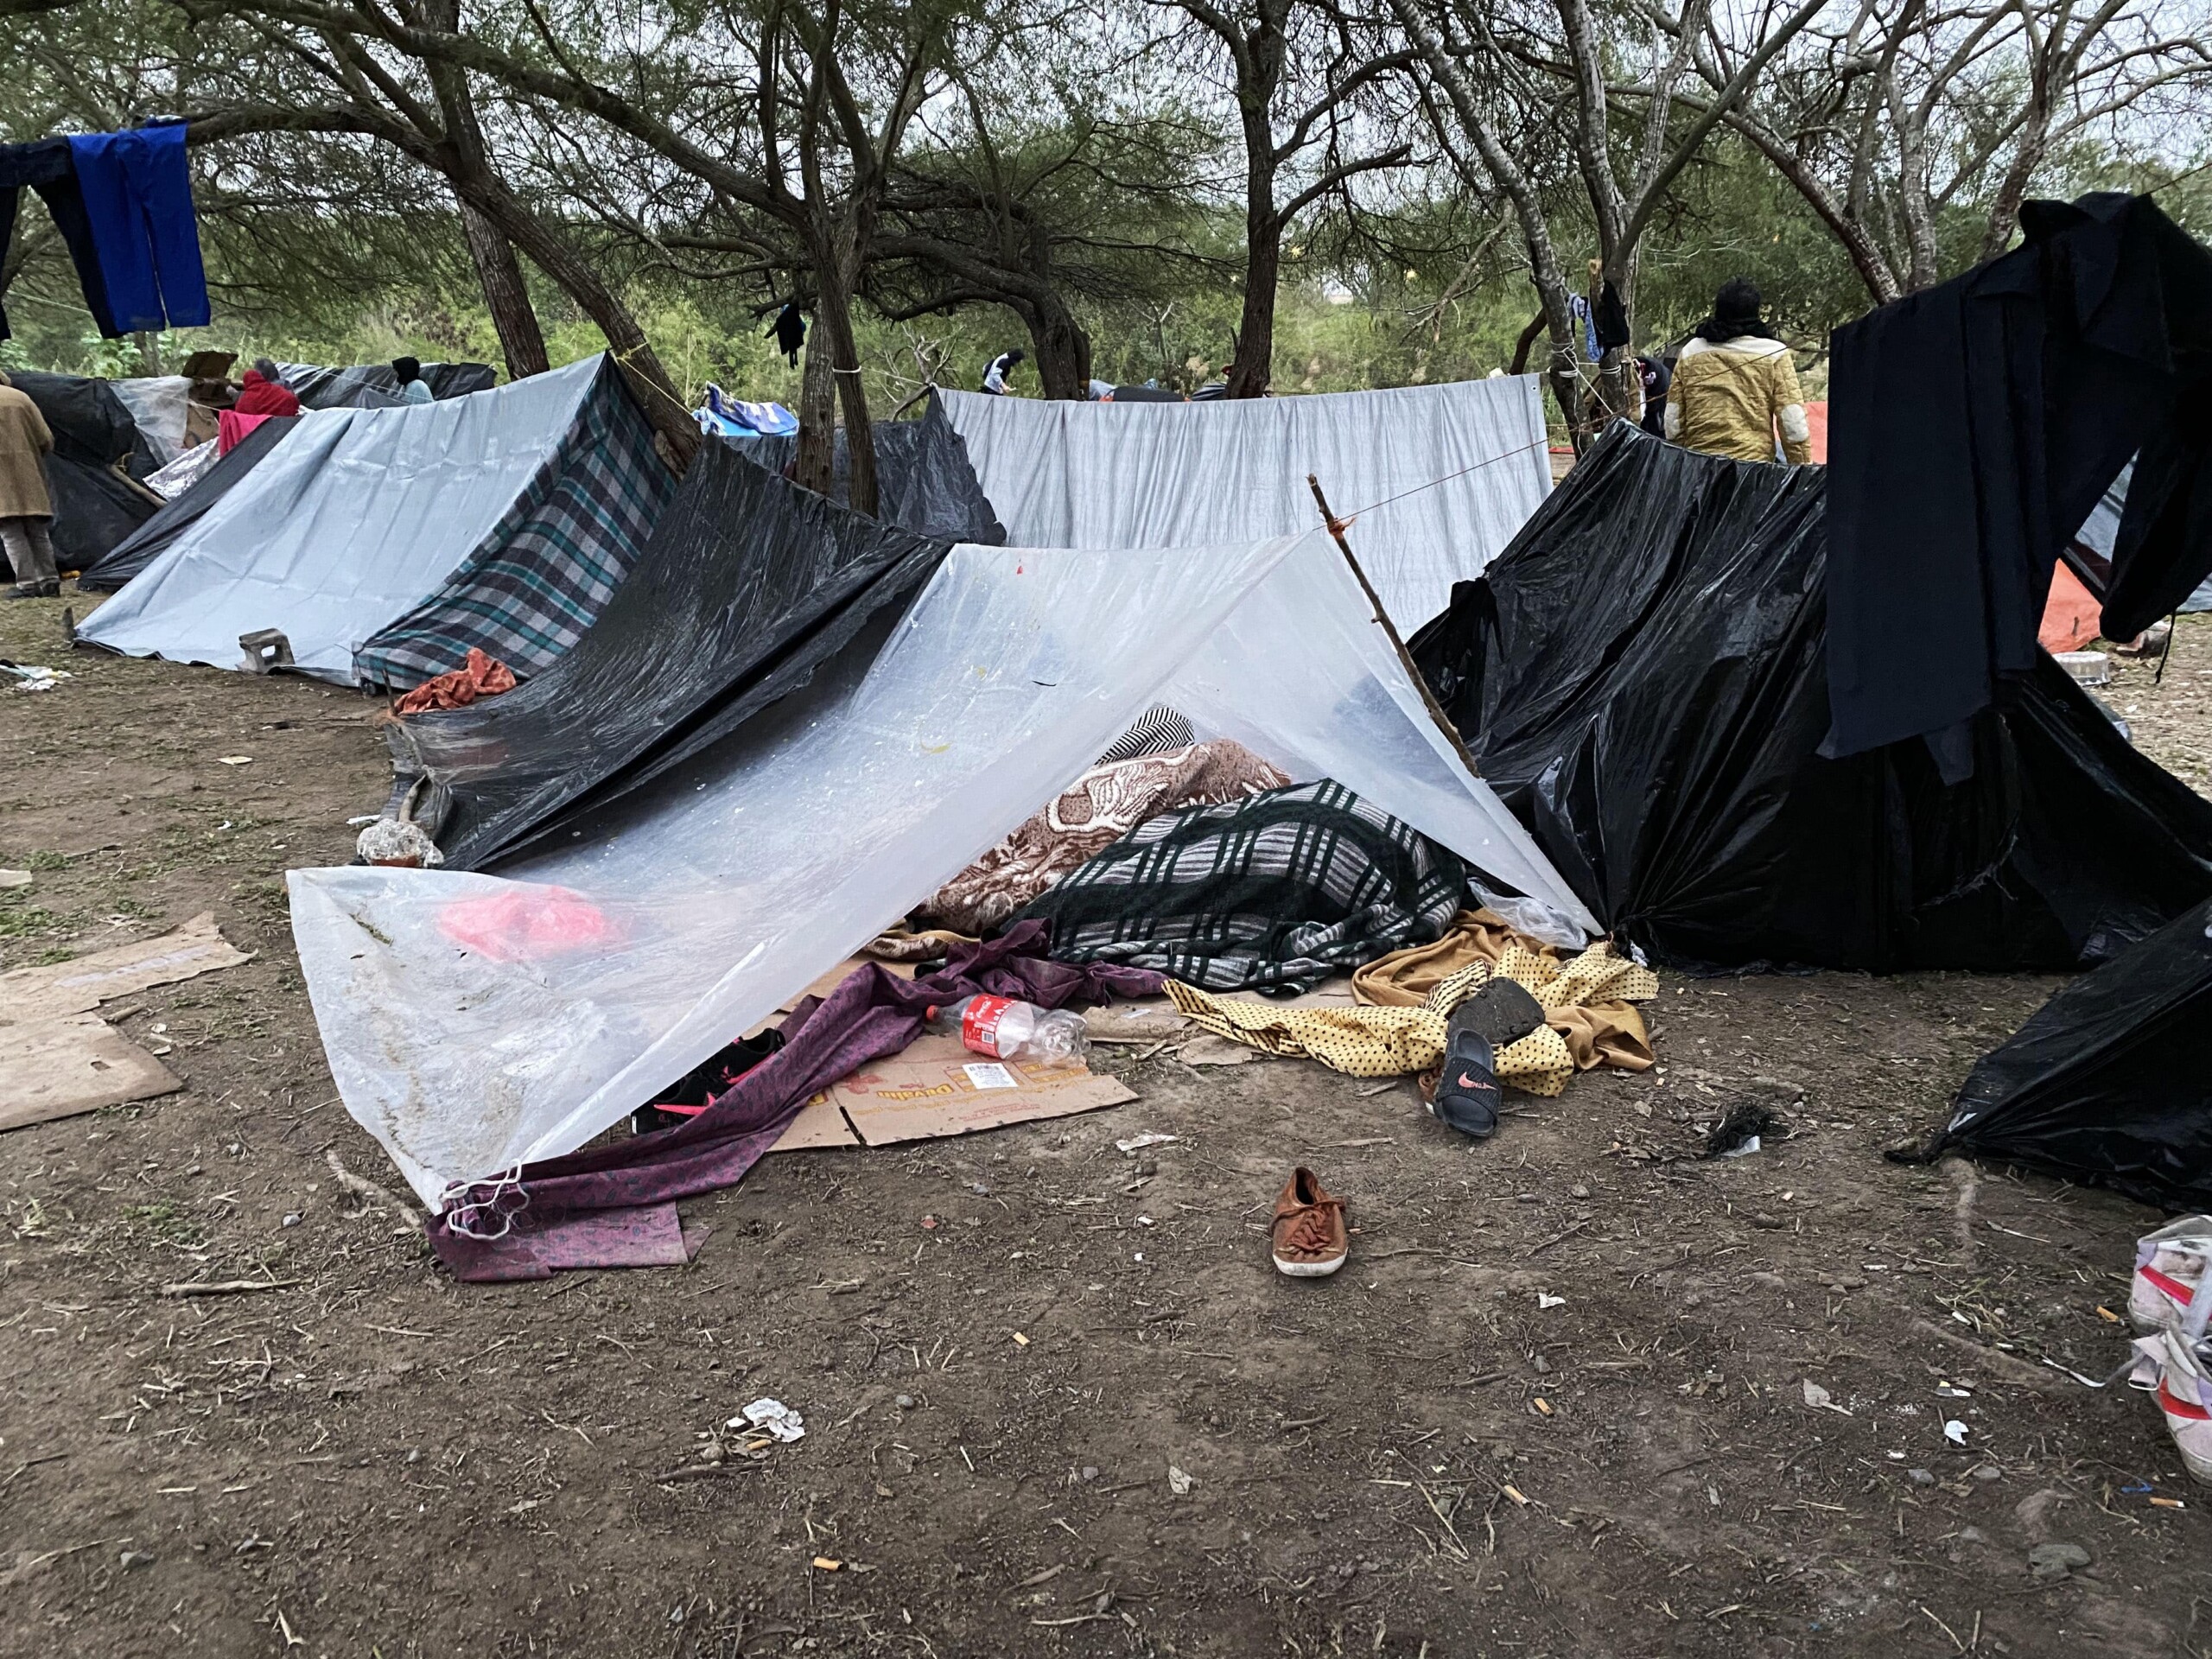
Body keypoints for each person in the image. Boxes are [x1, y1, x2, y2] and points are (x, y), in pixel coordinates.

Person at [1665, 279, 1812, 465]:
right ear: (1755, 312)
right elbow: (1793, 423)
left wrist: (1682, 462)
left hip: (1699, 469)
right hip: (1752, 470)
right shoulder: (1774, 353)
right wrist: (1801, 472)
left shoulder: (1691, 351)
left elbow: (1673, 422)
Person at [0, 369, 59, 600]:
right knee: (37, 530)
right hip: (29, 473)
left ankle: (28, 584)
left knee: (12, 532)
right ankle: (50, 581)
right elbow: (46, 439)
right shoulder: (21, 398)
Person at [233, 358, 302, 418]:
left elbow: (240, 416)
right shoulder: (282, 384)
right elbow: (293, 400)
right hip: (288, 420)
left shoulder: (246, 399)